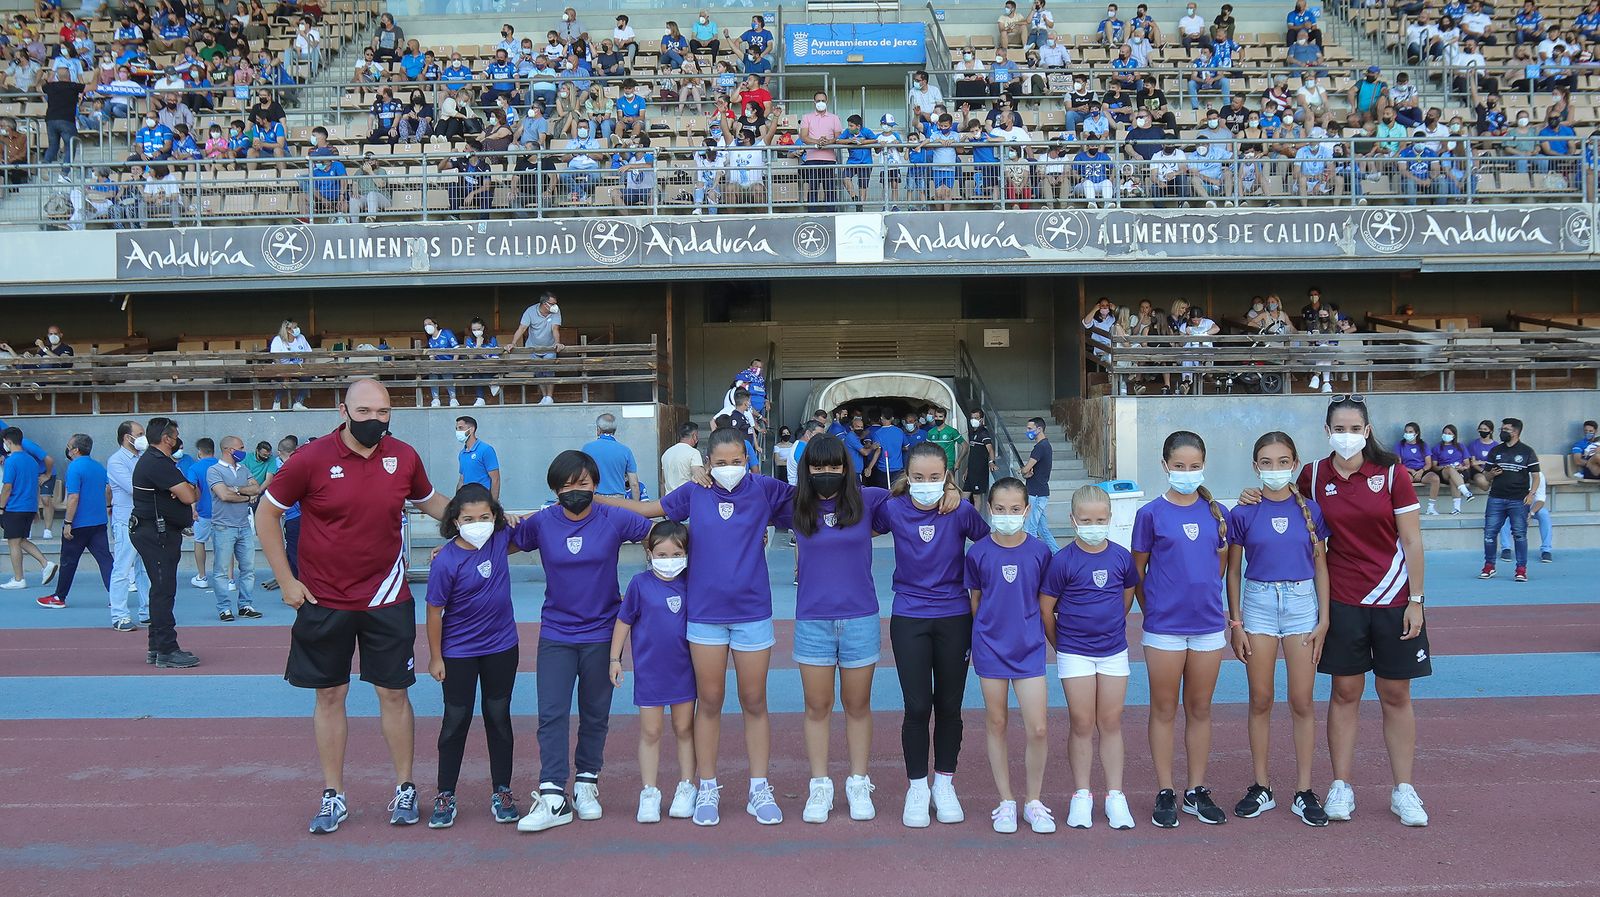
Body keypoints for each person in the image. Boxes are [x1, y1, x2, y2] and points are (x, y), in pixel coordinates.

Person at [258, 378, 451, 834]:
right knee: (330, 694)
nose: (374, 420)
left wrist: (485, 517)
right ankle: (333, 794)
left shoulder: (403, 456)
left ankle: (405, 787)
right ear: (343, 411)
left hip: (387, 597)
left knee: (394, 693)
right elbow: (266, 513)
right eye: (364, 412)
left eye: (382, 412)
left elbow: (432, 502)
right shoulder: (311, 459)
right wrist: (287, 581)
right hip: (323, 599)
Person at [598, 427, 795, 827]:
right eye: (720, 463)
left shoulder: (765, 489)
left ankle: (759, 788)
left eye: (736, 462)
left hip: (752, 613)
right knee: (709, 702)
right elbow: (650, 510)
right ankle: (707, 786)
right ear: (706, 464)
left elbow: (820, 503)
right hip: (704, 616)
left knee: (754, 701)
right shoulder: (694, 492)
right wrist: (594, 497)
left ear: (748, 459)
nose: (728, 469)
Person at [509, 451, 652, 832]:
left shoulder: (612, 518)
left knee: (594, 712)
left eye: (584, 484)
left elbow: (661, 536)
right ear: (555, 488)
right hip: (557, 631)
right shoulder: (541, 523)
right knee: (551, 713)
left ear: (595, 486)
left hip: (603, 632)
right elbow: (501, 543)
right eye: (568, 485)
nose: (576, 491)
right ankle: (554, 793)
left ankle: (587, 784)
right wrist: (454, 549)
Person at [873, 442, 987, 827]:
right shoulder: (892, 508)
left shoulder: (960, 510)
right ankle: (917, 787)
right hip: (909, 617)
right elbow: (852, 515)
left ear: (947, 478)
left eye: (935, 478)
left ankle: (945, 784)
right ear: (907, 476)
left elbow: (992, 546)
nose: (926, 484)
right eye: (919, 477)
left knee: (950, 707)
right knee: (918, 706)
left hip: (955, 617)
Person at [1225, 433, 1332, 826]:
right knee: (1261, 698)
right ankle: (1262, 786)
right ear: (1256, 465)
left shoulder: (1312, 511)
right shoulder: (1243, 512)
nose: (1274, 469)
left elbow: (1322, 566)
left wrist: (1324, 618)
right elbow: (1234, 571)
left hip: (1302, 604)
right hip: (1258, 605)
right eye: (1266, 462)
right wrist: (1235, 622)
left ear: (1295, 462)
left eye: (1282, 461)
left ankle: (1304, 791)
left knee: (1302, 700)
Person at [782, 435, 888, 824]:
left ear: (847, 467)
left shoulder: (870, 501)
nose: (826, 473)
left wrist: (946, 490)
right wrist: (702, 471)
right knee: (817, 706)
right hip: (813, 620)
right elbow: (745, 491)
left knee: (857, 706)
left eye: (834, 466)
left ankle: (859, 782)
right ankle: (820, 785)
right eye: (817, 467)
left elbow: (915, 499)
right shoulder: (792, 504)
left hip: (860, 618)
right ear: (806, 469)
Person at [1132, 431, 1229, 828]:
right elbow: (1138, 571)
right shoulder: (1150, 514)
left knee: (1201, 709)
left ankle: (1196, 790)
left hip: (1207, 627)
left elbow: (1219, 566)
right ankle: (1166, 790)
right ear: (1164, 466)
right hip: (1164, 629)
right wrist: (1152, 607)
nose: (1187, 473)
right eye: (1179, 466)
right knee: (1164, 708)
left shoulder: (1218, 512)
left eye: (1194, 467)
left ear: (1204, 466)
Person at [423, 483, 522, 829]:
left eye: (484, 516)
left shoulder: (499, 540)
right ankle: (445, 793)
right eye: (468, 518)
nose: (477, 523)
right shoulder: (445, 560)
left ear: (494, 515)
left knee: (498, 716)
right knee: (455, 720)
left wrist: (512, 520)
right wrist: (436, 658)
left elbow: (542, 525)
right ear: (455, 520)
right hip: (458, 653)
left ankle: (502, 791)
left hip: (501, 648)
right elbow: (434, 612)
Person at [1040, 484, 1138, 830]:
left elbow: (1126, 597)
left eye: (1100, 519)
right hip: (1074, 654)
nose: (1093, 524)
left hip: (1113, 653)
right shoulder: (1062, 561)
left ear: (1110, 519)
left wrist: (1109, 626)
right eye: (1086, 519)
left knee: (1110, 723)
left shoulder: (1121, 557)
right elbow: (1046, 609)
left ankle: (1115, 796)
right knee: (1082, 723)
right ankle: (1082, 795)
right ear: (1073, 520)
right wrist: (1062, 645)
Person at [965, 477, 1054, 834]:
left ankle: (1033, 800)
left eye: (1015, 509)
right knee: (997, 722)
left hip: (1030, 649)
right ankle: (1006, 801)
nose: (1007, 515)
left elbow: (1046, 601)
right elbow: (975, 601)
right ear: (990, 509)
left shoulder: (1040, 552)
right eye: (1000, 509)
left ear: (1026, 510)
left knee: (1039, 727)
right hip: (990, 649)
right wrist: (986, 633)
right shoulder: (978, 552)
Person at [610, 520, 698, 824]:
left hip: (685, 672)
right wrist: (615, 658)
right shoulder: (639, 584)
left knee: (684, 730)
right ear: (649, 554)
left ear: (687, 554)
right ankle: (649, 791)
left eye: (676, 553)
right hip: (650, 674)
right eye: (661, 554)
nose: (669, 560)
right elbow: (624, 621)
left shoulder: (693, 581)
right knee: (650, 732)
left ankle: (687, 786)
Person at [129, 417, 201, 668]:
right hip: (156, 534)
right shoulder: (158, 463)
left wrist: (185, 490)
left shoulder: (154, 461)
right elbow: (190, 494)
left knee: (160, 589)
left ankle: (157, 646)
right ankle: (167, 649)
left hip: (155, 532)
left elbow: (187, 492)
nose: (177, 441)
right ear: (167, 438)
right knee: (163, 590)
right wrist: (186, 489)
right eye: (175, 436)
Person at [35, 434, 109, 611]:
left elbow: (73, 497)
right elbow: (107, 489)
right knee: (106, 560)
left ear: (75, 450)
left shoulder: (75, 467)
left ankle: (59, 596)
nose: (67, 449)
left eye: (69, 446)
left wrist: (68, 522)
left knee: (68, 561)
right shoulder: (98, 467)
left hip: (78, 523)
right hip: (98, 522)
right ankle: (116, 596)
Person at [206, 436, 263, 622]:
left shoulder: (243, 468)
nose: (243, 450)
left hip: (244, 526)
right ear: (229, 450)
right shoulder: (214, 470)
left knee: (248, 568)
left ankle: (245, 605)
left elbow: (257, 488)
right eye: (240, 447)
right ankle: (224, 608)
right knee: (221, 570)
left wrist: (236, 490)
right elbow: (223, 495)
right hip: (223, 527)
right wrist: (245, 495)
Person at [1479, 417, 1539, 582]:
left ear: (1516, 432)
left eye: (1506, 429)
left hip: (1519, 500)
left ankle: (1521, 569)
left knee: (1519, 535)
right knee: (1489, 534)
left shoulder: (1527, 451)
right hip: (1496, 498)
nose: (1502, 431)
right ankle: (1489, 566)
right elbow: (1486, 475)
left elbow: (1536, 476)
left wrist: (1531, 493)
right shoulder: (1496, 450)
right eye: (1502, 429)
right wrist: (1492, 474)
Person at [105, 421, 150, 630]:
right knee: (123, 568)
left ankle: (147, 611)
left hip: (145, 519)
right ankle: (119, 615)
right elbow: (135, 487)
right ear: (127, 437)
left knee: (146, 569)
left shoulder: (143, 458)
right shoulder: (116, 461)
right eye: (139, 434)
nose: (143, 438)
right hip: (126, 521)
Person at [0, 427, 56, 591]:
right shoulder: (31, 461)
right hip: (28, 506)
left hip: (15, 506)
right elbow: (35, 486)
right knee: (21, 540)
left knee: (13, 543)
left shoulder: (12, 461)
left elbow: (7, 487)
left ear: (8, 442)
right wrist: (36, 508)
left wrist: (1, 506)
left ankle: (19, 578)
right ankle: (46, 564)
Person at [511, 291, 563, 405]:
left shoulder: (556, 311)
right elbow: (522, 328)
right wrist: (513, 343)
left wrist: (557, 342)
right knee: (538, 372)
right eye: (552, 303)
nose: (555, 306)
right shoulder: (530, 311)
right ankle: (544, 397)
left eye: (555, 303)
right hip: (533, 347)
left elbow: (555, 329)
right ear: (545, 303)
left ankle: (549, 397)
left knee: (549, 371)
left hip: (549, 347)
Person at [1018, 418, 1059, 552]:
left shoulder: (1039, 447)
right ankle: (1057, 553)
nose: (1027, 431)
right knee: (1043, 529)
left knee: (1030, 529)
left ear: (1039, 429)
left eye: (1030, 428)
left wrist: (1024, 471)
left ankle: (1032, 556)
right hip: (1040, 491)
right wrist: (1026, 472)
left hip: (1035, 493)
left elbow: (1026, 469)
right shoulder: (1046, 446)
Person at [184, 439, 219, 590]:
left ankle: (202, 576)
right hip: (223, 512)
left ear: (199, 451)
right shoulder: (221, 465)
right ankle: (229, 579)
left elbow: (191, 489)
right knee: (224, 545)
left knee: (199, 541)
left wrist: (192, 509)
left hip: (202, 512)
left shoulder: (194, 468)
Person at [582, 413, 639, 500]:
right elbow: (634, 484)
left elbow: (581, 475)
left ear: (598, 429)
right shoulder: (625, 451)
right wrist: (636, 505)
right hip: (618, 500)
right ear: (614, 430)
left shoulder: (587, 448)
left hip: (595, 498)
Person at [1422, 424, 1474, 515]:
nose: (1447, 435)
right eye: (1445, 433)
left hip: (1460, 472)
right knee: (1450, 470)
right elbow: (1434, 466)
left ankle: (1457, 509)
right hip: (1443, 472)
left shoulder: (1460, 447)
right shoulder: (1437, 448)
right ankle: (1466, 492)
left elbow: (1467, 464)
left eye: (1449, 433)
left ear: (1454, 435)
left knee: (1453, 478)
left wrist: (1462, 467)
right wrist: (1444, 467)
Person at [269, 319, 312, 411]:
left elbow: (308, 354)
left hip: (299, 369)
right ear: (288, 330)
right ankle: (277, 403)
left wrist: (305, 368)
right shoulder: (278, 340)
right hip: (282, 369)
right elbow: (276, 358)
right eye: (295, 327)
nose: (297, 329)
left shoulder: (301, 338)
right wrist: (284, 372)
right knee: (282, 379)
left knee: (307, 377)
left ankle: (298, 403)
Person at [454, 416, 500, 502]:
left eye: (460, 428)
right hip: (467, 500)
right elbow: (462, 480)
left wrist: (493, 504)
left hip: (483, 500)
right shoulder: (462, 454)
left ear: (471, 430)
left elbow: (495, 479)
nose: (457, 432)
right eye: (456, 429)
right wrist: (456, 502)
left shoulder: (486, 450)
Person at [964, 409, 996, 505]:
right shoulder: (973, 433)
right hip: (971, 471)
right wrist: (967, 469)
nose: (973, 420)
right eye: (972, 418)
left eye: (976, 418)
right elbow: (972, 453)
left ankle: (976, 519)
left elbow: (990, 449)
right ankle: (965, 518)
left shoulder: (983, 433)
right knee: (964, 497)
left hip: (979, 471)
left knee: (976, 496)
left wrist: (991, 462)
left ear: (981, 419)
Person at [661, 423, 701, 495]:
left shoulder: (666, 453)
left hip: (669, 499)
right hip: (685, 498)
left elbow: (662, 481)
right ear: (694, 436)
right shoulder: (694, 453)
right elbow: (699, 477)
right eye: (697, 435)